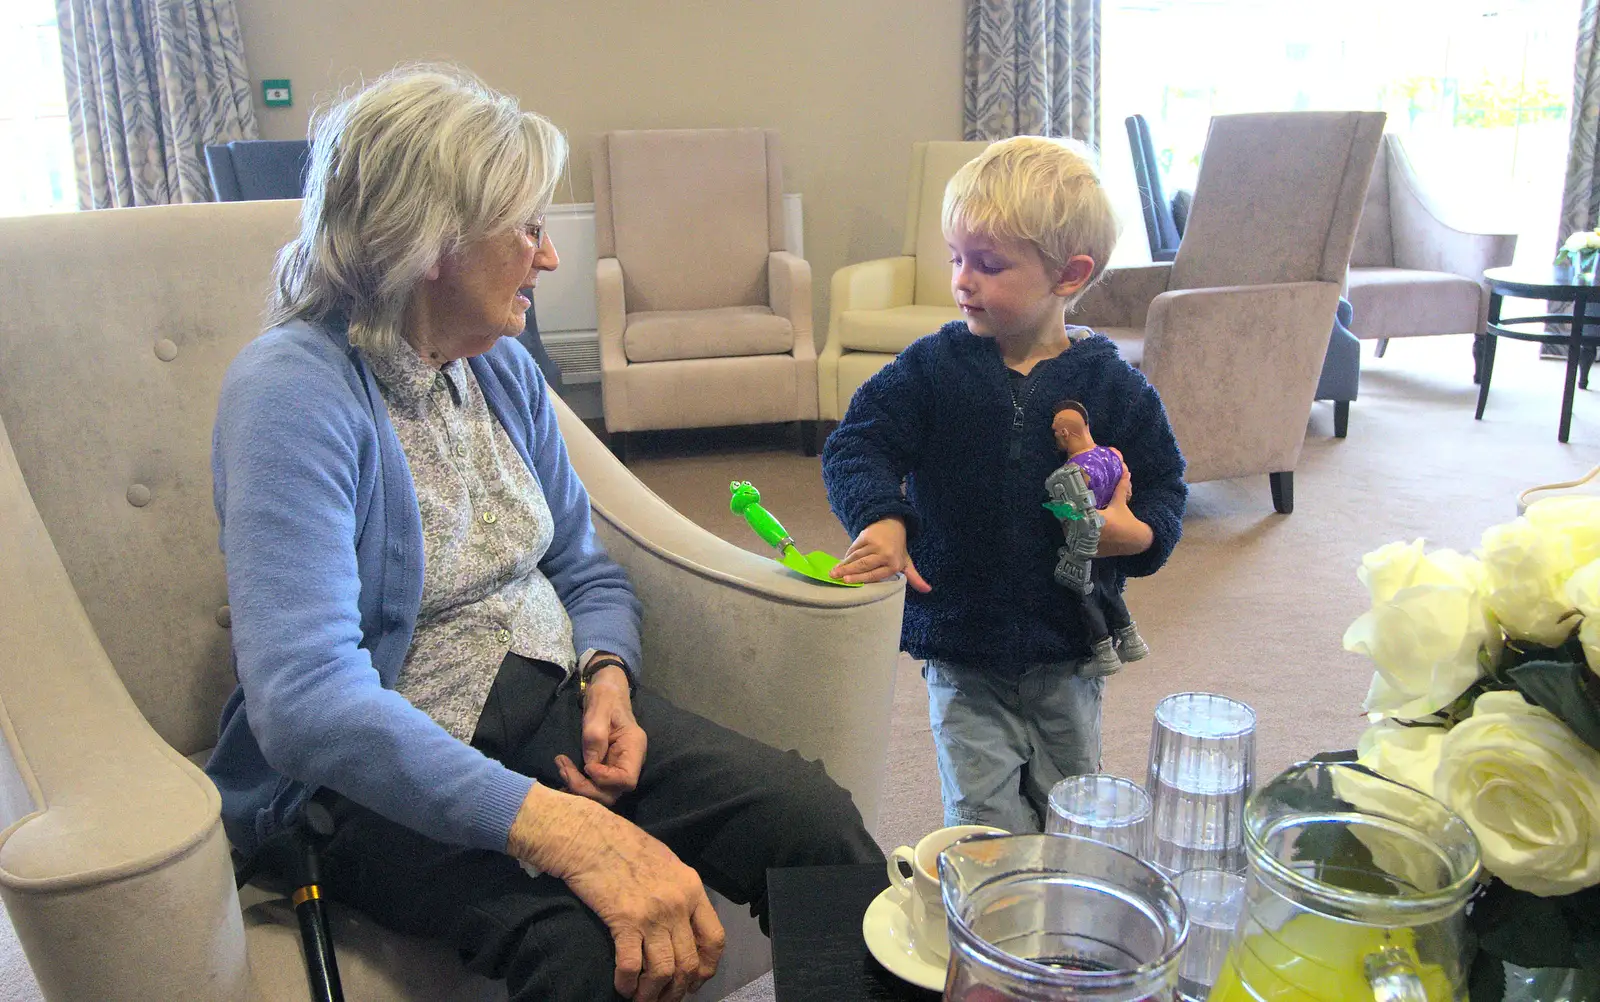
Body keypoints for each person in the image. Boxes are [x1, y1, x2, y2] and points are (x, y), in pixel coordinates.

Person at [204, 67, 880, 1002]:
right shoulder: (293, 392)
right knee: (586, 955)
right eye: (526, 228)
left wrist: (609, 675)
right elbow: (308, 702)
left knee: (817, 829)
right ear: (431, 241)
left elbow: (583, 568)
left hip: (555, 707)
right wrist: (560, 828)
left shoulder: (502, 369)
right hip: (381, 772)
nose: (548, 257)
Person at [822, 136, 1187, 834]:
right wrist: (884, 518)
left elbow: (1167, 489)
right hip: (961, 641)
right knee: (982, 822)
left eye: (988, 265)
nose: (962, 279)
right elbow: (857, 443)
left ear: (1068, 274)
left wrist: (1136, 535)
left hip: (1069, 647)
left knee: (1071, 810)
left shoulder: (1116, 387)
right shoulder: (931, 368)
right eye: (957, 257)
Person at [1043, 398, 1150, 678]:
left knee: (1086, 595)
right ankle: (1131, 639)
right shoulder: (1113, 455)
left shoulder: (1071, 474)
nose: (1055, 439)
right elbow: (1125, 492)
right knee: (1110, 587)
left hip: (1086, 542)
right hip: (1114, 538)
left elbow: (1068, 516)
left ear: (1065, 433)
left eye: (1056, 433)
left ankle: (1103, 653)